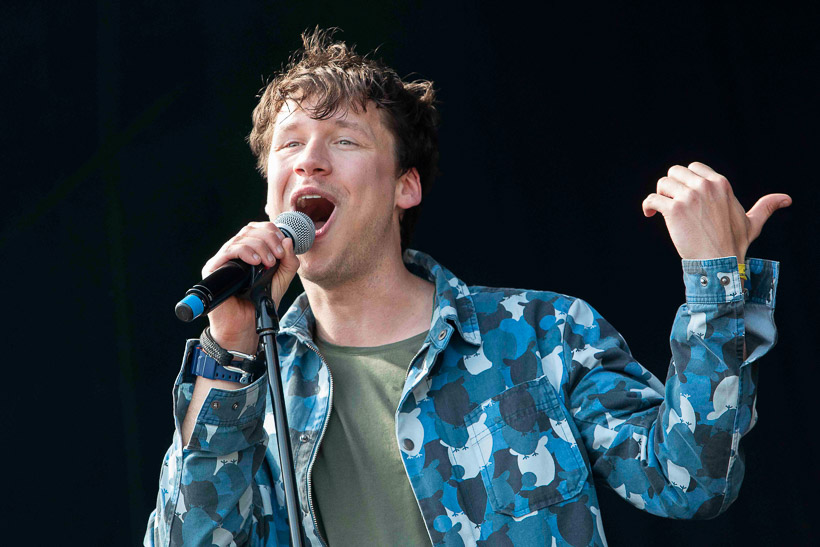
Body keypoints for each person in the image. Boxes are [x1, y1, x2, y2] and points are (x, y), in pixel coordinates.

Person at [145, 29, 790, 546]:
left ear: (406, 186)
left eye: (343, 140)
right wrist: (228, 355)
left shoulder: (543, 335)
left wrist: (715, 287)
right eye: (289, 145)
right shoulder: (254, 390)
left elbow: (691, 480)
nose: (310, 159)